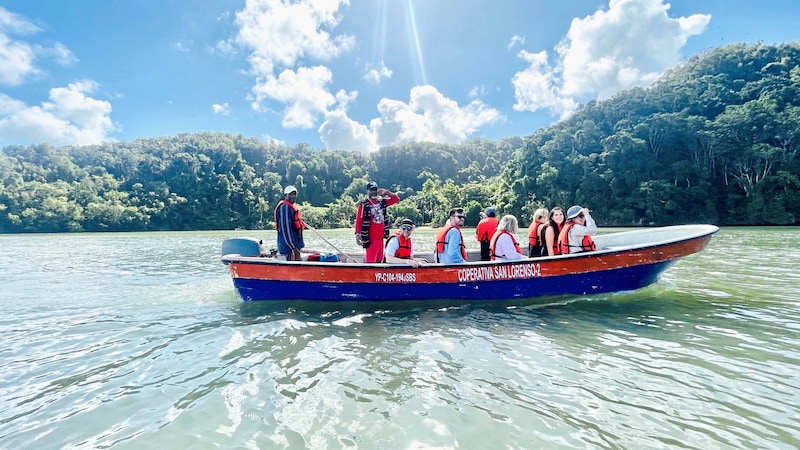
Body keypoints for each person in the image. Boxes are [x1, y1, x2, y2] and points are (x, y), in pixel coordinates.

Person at [355, 181, 401, 263]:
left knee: (379, 262)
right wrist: (357, 235)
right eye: (371, 190)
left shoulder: (382, 202)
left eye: (375, 190)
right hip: (370, 240)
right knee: (371, 263)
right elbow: (359, 221)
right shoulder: (363, 205)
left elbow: (396, 199)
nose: (373, 192)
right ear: (367, 191)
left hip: (380, 239)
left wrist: (387, 192)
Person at [274, 185, 307, 261]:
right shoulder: (285, 208)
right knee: (292, 262)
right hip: (289, 247)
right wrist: (293, 247)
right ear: (285, 195)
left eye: (294, 194)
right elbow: (286, 230)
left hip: (294, 244)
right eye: (290, 194)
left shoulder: (290, 207)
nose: (293, 196)